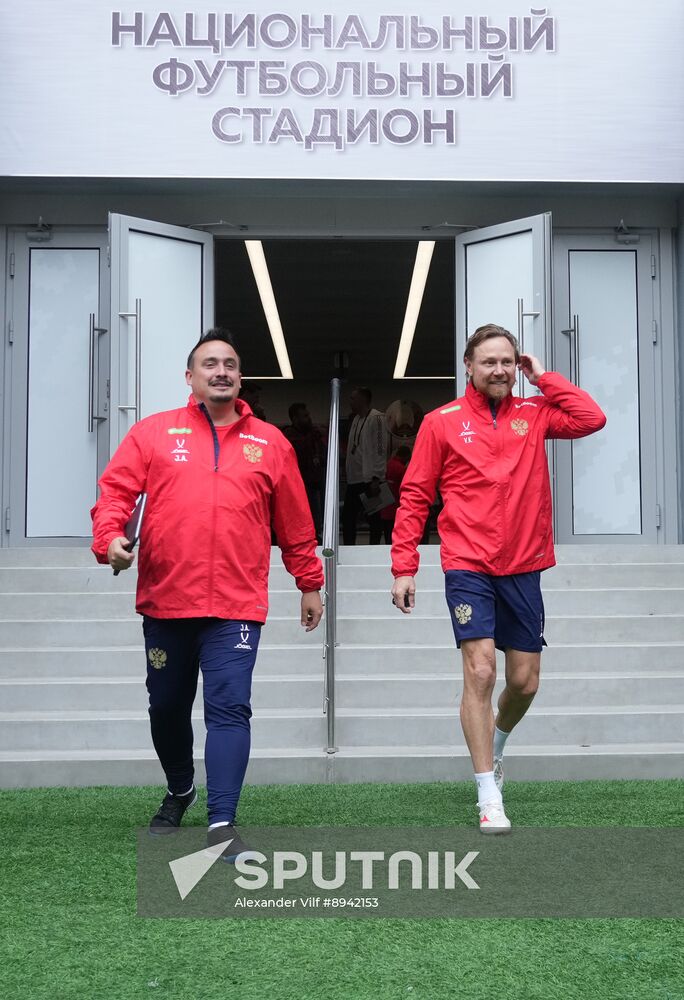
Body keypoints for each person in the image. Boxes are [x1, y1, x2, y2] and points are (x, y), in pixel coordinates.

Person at [91, 329, 323, 857]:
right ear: (190, 377)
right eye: (210, 364)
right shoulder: (153, 434)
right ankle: (179, 789)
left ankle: (222, 821)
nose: (221, 371)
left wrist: (309, 582)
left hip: (236, 605)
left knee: (229, 708)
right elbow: (115, 493)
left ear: (240, 377)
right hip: (167, 600)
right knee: (167, 708)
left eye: (231, 364)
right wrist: (109, 541)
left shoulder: (271, 442)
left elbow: (294, 522)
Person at [390, 324, 606, 834]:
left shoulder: (534, 414)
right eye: (489, 361)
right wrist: (404, 567)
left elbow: (591, 418)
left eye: (508, 362)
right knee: (481, 671)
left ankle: (499, 741)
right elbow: (415, 495)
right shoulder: (442, 423)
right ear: (469, 365)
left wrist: (544, 376)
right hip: (467, 562)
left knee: (524, 682)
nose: (500, 370)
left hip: (524, 564)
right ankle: (488, 792)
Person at [343, 387, 388, 545]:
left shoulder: (377, 418)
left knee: (374, 518)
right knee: (348, 518)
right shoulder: (356, 419)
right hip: (354, 479)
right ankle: (348, 548)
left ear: (363, 400)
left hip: (370, 480)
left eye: (353, 398)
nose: (350, 402)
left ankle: (374, 549)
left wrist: (377, 477)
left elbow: (380, 448)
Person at [283, 402, 326, 542]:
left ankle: (317, 536)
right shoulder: (289, 435)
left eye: (308, 415)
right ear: (295, 419)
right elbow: (298, 450)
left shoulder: (314, 435)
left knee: (317, 517)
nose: (309, 419)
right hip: (298, 484)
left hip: (315, 482)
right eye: (305, 416)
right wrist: (313, 435)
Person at [380, 445, 412, 544]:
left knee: (387, 536)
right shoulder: (401, 469)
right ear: (406, 457)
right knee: (395, 538)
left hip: (385, 507)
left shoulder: (388, 464)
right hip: (396, 508)